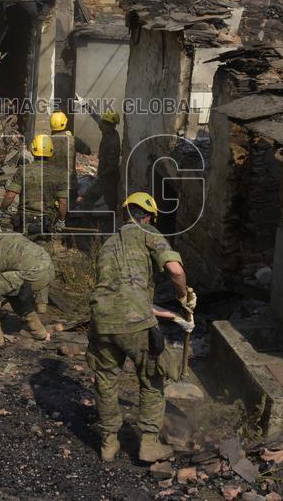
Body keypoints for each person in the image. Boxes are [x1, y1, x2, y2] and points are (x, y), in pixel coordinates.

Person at [87, 192, 197, 463]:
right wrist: (183, 297)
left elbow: (120, 294)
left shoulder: (108, 244)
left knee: (106, 381)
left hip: (101, 321)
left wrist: (170, 316)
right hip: (135, 323)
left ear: (126, 214)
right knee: (152, 377)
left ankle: (108, 443)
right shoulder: (148, 232)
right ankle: (148, 443)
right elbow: (176, 270)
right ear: (148, 217)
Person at [0, 134, 68, 236]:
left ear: (33, 150)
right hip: (46, 222)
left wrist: (1, 211)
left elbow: (10, 196)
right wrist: (61, 221)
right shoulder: (58, 174)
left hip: (24, 221)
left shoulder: (23, 170)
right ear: (51, 151)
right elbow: (63, 202)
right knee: (44, 251)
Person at [78, 105, 121, 213]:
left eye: (107, 124)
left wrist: (100, 177)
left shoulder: (113, 142)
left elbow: (112, 166)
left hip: (108, 177)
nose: (104, 126)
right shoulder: (106, 129)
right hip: (103, 173)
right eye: (104, 123)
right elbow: (97, 118)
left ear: (113, 126)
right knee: (91, 198)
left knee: (108, 201)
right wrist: (85, 105)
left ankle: (107, 223)